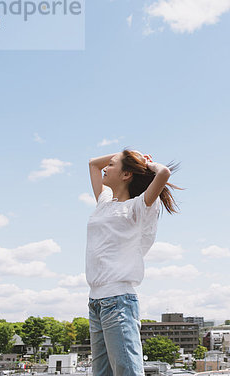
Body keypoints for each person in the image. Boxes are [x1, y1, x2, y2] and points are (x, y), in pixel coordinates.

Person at [86, 149, 179, 376]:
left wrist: (147, 164)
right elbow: (92, 164)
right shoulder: (105, 201)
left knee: (128, 372)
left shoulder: (138, 208)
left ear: (126, 174)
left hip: (118, 302)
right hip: (96, 301)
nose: (106, 167)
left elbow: (164, 173)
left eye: (113, 164)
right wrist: (123, 153)